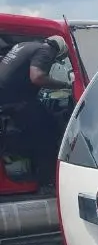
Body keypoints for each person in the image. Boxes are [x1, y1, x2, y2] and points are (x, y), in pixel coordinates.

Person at [0, 35, 72, 188]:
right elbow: (37, 77)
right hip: (15, 101)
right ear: (58, 51)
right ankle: (48, 181)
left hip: (7, 100)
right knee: (48, 132)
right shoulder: (46, 50)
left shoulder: (23, 44)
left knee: (35, 125)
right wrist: (65, 85)